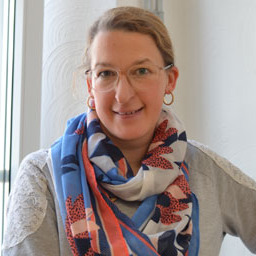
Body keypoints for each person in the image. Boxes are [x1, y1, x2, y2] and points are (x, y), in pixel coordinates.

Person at [2, 6, 256, 256]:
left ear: (170, 80)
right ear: (91, 85)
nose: (123, 94)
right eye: (106, 73)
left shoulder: (207, 172)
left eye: (141, 71)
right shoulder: (43, 177)